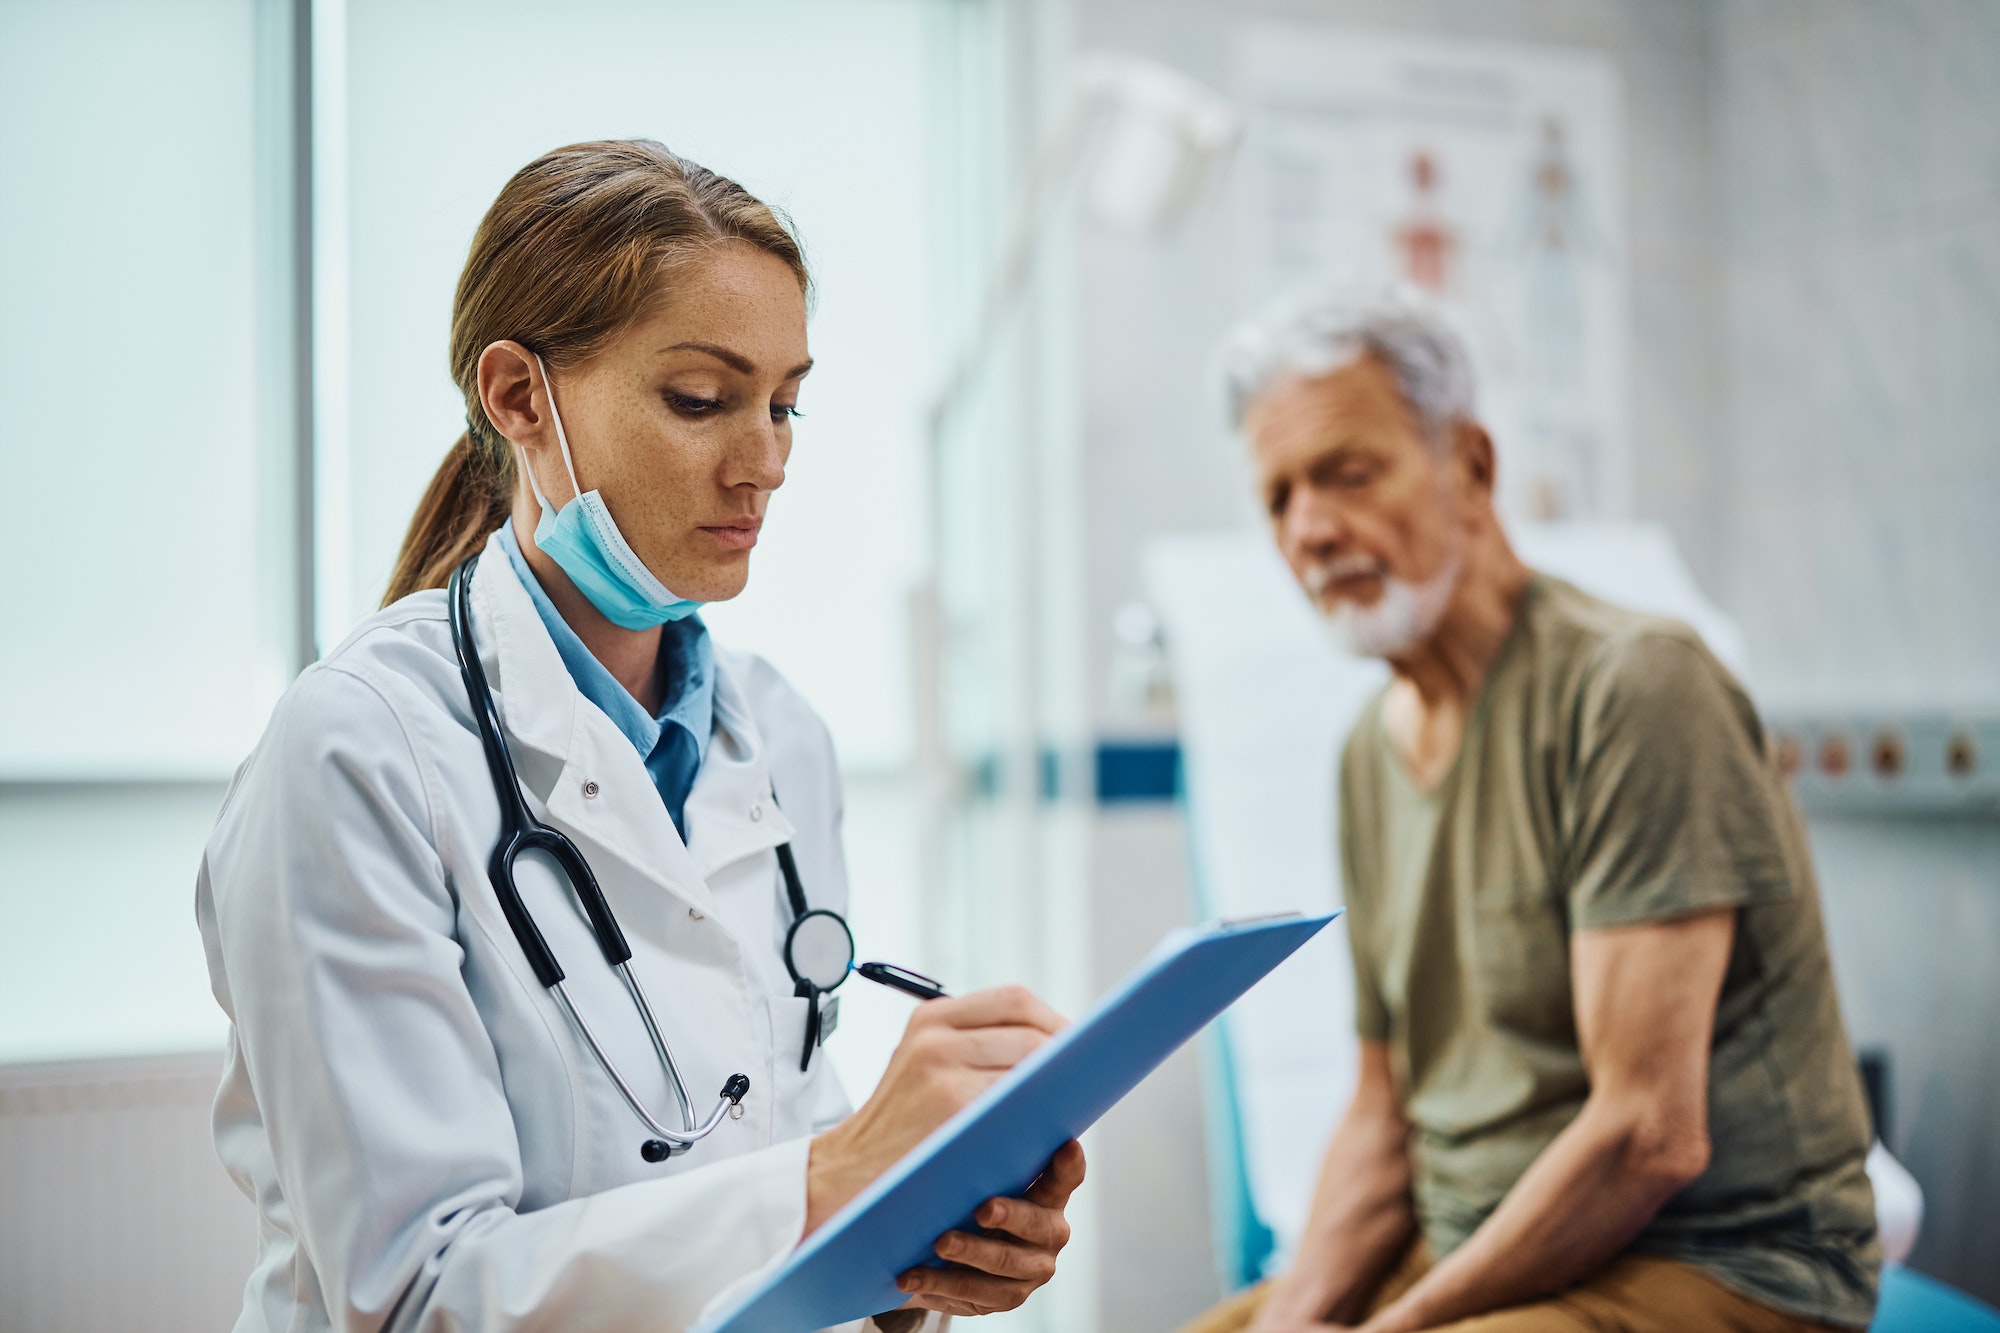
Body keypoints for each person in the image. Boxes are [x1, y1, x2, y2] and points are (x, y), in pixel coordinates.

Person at [196, 140, 1082, 1333]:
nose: (764, 460)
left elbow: (771, 1140)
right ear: (519, 397)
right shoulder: (358, 752)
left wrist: (918, 1251)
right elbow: (414, 1295)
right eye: (701, 400)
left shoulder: (778, 736)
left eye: (785, 402)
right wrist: (830, 1184)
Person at [1181, 290, 1878, 1333]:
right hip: (1479, 1243)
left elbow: (1646, 1135)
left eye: (1347, 472)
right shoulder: (1366, 754)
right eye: (1278, 498)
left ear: (1469, 464)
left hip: (1713, 1263)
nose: (1311, 528)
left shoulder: (1633, 687)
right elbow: (1383, 1111)